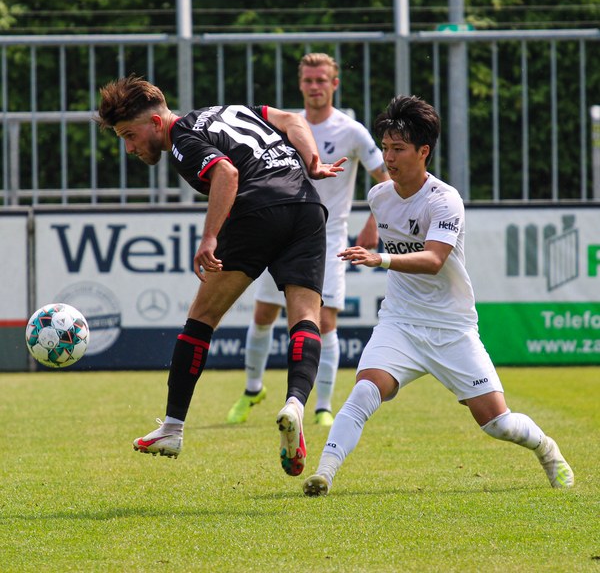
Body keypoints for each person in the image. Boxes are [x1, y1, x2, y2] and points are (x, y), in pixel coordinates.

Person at [303, 95, 574, 496]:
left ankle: (546, 449)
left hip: (451, 328)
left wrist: (380, 259)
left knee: (497, 423)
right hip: (400, 322)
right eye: (385, 147)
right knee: (364, 390)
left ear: (423, 151)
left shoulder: (444, 200)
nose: (388, 157)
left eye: (398, 149)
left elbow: (433, 260)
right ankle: (323, 474)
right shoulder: (379, 196)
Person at [96, 74, 346, 477]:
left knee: (202, 318)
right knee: (305, 316)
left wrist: (209, 237)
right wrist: (312, 160)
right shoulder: (233, 110)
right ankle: (296, 404)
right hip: (306, 205)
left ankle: (172, 428)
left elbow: (226, 174)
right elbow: (293, 121)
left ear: (156, 122)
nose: (129, 147)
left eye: (129, 135)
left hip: (257, 207)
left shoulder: (181, 136)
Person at [227, 53, 388, 428]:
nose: (315, 87)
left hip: (328, 238)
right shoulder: (287, 125)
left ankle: (323, 407)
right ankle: (253, 390)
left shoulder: (352, 131)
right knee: (263, 313)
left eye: (321, 80)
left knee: (324, 320)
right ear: (300, 84)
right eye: (309, 81)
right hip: (281, 233)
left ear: (334, 84)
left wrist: (374, 223)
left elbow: (386, 179)